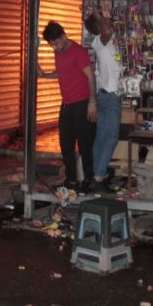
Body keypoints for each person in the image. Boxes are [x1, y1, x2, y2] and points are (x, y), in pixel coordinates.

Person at [37, 21, 97, 192]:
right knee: (66, 144)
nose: (55, 48)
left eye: (56, 43)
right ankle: (71, 180)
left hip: (82, 102)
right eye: (52, 45)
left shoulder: (78, 51)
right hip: (67, 103)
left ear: (64, 36)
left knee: (84, 144)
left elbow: (90, 77)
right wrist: (45, 75)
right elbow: (63, 73)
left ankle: (88, 179)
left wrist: (92, 103)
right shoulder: (59, 52)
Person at [84, 12, 122, 194]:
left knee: (100, 138)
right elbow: (107, 28)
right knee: (111, 137)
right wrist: (102, 17)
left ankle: (95, 176)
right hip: (110, 96)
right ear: (99, 27)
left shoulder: (103, 42)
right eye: (104, 21)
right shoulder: (102, 40)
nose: (109, 21)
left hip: (104, 95)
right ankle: (99, 176)